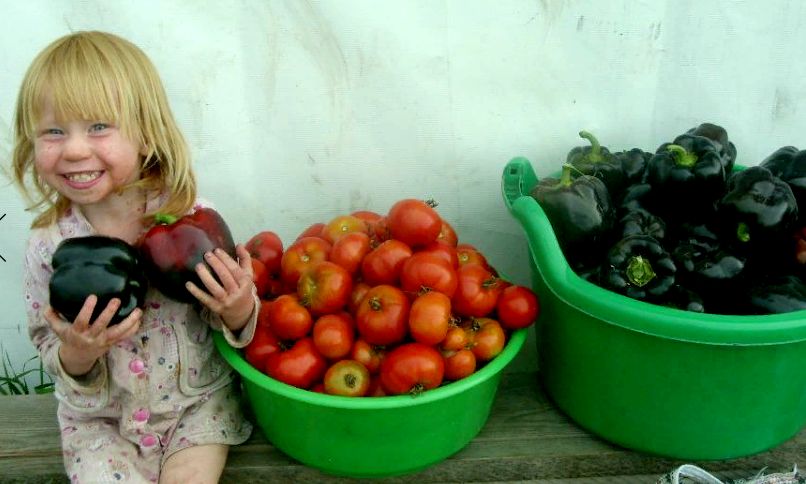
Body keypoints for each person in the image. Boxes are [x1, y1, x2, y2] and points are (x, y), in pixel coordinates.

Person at [11, 31, 259, 484]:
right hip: (101, 426)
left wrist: (239, 307)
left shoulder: (188, 219)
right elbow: (46, 341)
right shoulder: (49, 245)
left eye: (99, 127)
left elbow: (227, 316)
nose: (74, 149)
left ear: (147, 134)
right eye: (53, 131)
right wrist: (77, 352)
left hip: (196, 409)